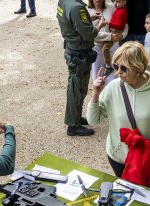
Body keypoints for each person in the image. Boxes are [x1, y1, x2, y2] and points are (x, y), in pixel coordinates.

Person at [86, 41, 150, 177]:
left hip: (147, 158)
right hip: (119, 158)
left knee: (147, 195)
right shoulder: (113, 87)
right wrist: (95, 94)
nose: (118, 73)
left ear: (138, 68)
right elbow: (93, 120)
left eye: (124, 68)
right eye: (116, 66)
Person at [56, 0, 106, 136]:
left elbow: (70, 21)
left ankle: (75, 118)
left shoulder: (64, 2)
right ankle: (73, 125)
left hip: (72, 51)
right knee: (77, 90)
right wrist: (100, 25)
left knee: (74, 87)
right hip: (79, 55)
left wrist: (90, 18)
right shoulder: (77, 7)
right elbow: (89, 34)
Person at [87, 0, 128, 86]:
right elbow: (89, 33)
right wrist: (109, 36)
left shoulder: (111, 7)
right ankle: (99, 97)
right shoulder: (87, 11)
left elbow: (124, 24)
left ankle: (114, 97)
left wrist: (122, 35)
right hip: (97, 48)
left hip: (112, 47)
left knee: (115, 77)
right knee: (98, 77)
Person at [99, 0, 127, 77]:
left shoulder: (122, 11)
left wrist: (109, 22)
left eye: (118, 2)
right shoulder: (118, 9)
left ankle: (109, 66)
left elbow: (120, 25)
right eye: (114, 1)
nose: (115, 3)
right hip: (112, 31)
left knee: (105, 48)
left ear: (124, 2)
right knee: (104, 47)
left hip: (116, 31)